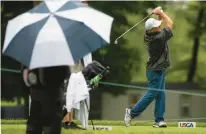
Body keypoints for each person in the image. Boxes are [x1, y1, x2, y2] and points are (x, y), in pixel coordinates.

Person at [124, 7, 173, 128]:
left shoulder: (148, 34)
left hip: (157, 69)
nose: (159, 26)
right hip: (155, 70)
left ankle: (159, 120)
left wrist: (157, 16)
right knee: (152, 94)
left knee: (161, 95)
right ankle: (131, 113)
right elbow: (170, 23)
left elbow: (159, 25)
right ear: (154, 30)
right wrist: (161, 13)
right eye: (157, 26)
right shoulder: (159, 37)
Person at [23, 66, 70, 134]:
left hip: (39, 94)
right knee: (51, 127)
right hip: (53, 95)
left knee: (35, 127)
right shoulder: (60, 59)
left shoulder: (34, 59)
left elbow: (27, 79)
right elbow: (66, 74)